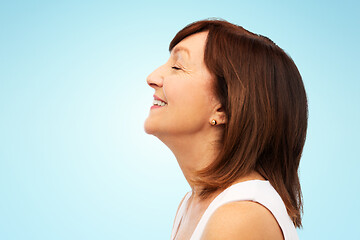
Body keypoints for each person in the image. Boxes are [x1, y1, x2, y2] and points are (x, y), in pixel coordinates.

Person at [144, 18, 307, 240]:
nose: (152, 78)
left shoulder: (238, 216)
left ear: (223, 108)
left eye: (177, 66)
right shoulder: (192, 204)